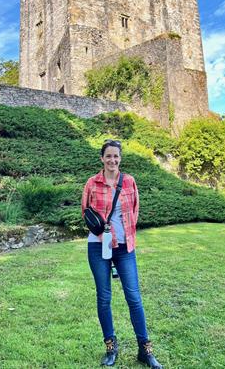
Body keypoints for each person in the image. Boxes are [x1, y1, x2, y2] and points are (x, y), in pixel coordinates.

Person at [81, 139, 163, 368]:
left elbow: (135, 210)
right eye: (108, 156)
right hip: (98, 246)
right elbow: (85, 212)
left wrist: (124, 235)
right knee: (104, 298)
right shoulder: (92, 183)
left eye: (116, 156)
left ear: (120, 158)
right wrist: (102, 234)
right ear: (102, 158)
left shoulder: (129, 181)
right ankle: (110, 347)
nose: (112, 160)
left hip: (125, 247)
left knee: (134, 297)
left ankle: (145, 350)